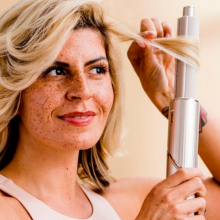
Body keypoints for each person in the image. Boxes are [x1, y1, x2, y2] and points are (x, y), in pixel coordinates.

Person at [0, 0, 217, 219]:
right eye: (56, 71)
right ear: (14, 87)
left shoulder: (129, 201)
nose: (83, 91)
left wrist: (169, 97)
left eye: (96, 69)